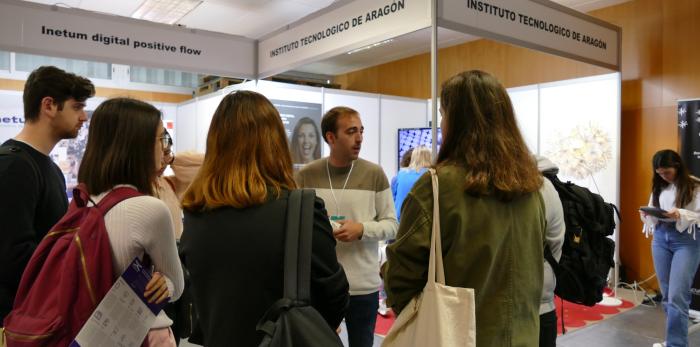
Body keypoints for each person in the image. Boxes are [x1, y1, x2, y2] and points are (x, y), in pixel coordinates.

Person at [383, 70, 546, 346]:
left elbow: (401, 277)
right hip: (524, 335)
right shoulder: (532, 189)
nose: (442, 124)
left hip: (458, 336)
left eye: (443, 114)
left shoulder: (436, 187)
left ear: (456, 121)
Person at [180, 91, 349, 347]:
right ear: (277, 142)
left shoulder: (195, 215)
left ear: (215, 144)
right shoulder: (301, 210)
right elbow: (333, 297)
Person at [77, 97, 184, 346]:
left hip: (89, 334)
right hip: (144, 335)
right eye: (161, 139)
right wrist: (164, 281)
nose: (164, 147)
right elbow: (176, 287)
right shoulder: (150, 209)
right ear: (138, 146)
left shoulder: (85, 199)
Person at [295, 106, 398, 347]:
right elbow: (296, 225)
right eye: (351, 131)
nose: (359, 138)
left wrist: (361, 229)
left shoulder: (374, 173)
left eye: (361, 131)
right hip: (320, 285)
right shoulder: (307, 175)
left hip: (363, 286)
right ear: (331, 137)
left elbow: (392, 225)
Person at [0, 66, 94, 323]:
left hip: (39, 314)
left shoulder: (48, 168)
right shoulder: (14, 166)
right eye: (77, 107)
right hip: (16, 321)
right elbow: (13, 257)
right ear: (49, 106)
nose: (83, 116)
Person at [641, 149, 700, 347]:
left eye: (667, 172)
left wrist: (681, 213)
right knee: (667, 295)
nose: (663, 176)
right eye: (659, 173)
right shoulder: (659, 187)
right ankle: (674, 341)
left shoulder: (694, 184)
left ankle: (676, 344)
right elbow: (652, 212)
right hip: (660, 238)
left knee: (677, 296)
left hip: (686, 241)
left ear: (677, 166)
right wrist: (648, 214)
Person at [536, 155, 566, 347]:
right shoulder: (548, 187)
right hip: (544, 298)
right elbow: (556, 242)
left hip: (526, 304)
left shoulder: (539, 188)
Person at [393, 146, 431, 222]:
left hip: (399, 223)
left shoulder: (400, 174)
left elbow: (392, 200)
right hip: (421, 223)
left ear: (413, 157)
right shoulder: (431, 175)